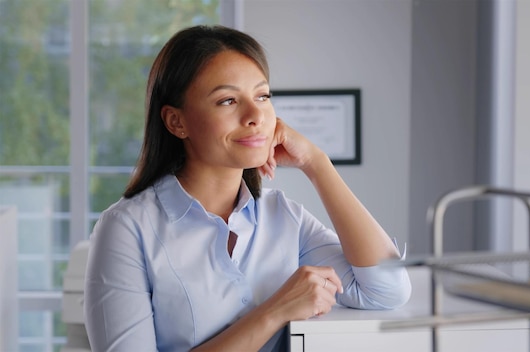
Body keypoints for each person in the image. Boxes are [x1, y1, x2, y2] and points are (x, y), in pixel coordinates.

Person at [84, 25, 411, 352]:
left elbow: (386, 289)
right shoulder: (127, 229)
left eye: (263, 96)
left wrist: (316, 162)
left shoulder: (282, 215)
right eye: (227, 100)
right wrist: (276, 310)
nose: (256, 115)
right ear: (176, 122)